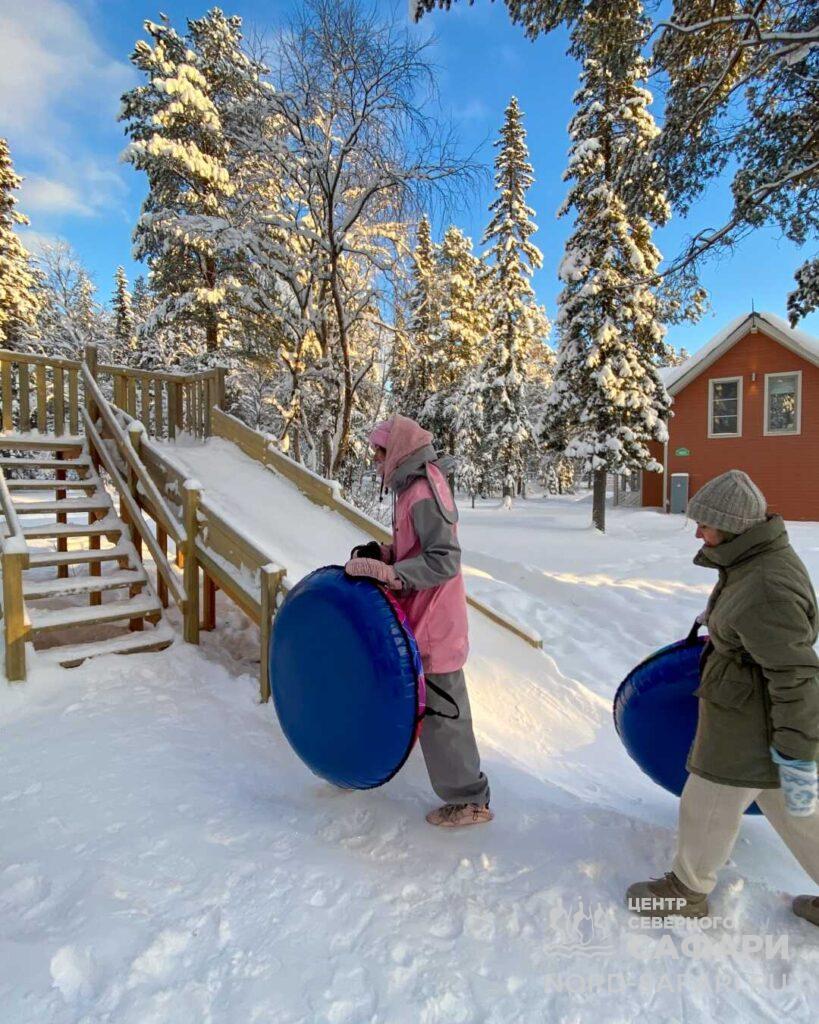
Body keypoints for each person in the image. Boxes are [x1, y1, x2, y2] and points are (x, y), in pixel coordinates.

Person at [627, 470, 819, 926]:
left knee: (708, 802)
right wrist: (723, 622)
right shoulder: (752, 560)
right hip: (753, 710)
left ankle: (686, 892)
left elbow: (795, 675)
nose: (698, 533)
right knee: (795, 813)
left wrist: (797, 753)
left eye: (705, 525)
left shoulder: (766, 587)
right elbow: (757, 628)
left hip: (747, 722)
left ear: (733, 527)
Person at [344, 414, 492, 828]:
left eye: (380, 453)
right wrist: (384, 553)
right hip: (422, 618)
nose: (376, 461)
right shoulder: (411, 488)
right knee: (431, 709)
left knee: (445, 715)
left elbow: (444, 559)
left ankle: (470, 800)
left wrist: (393, 574)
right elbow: (417, 547)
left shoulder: (425, 489)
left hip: (436, 623)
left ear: (398, 451)